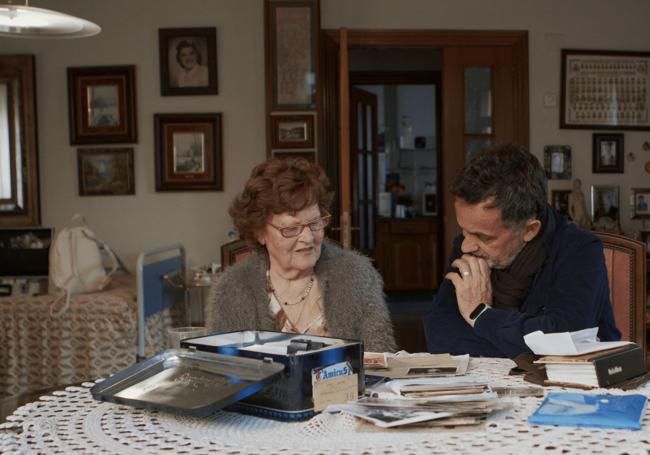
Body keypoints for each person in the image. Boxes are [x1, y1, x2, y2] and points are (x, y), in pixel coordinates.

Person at [423, 143, 619, 358]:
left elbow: (562, 343)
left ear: (529, 230)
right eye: (464, 230)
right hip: (487, 386)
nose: (465, 246)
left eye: (484, 236)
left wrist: (480, 315)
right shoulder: (470, 243)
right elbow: (439, 335)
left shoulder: (580, 251)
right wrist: (524, 341)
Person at [205, 158, 396, 352]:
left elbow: (381, 357)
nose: (307, 238)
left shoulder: (356, 275)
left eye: (315, 223)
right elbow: (221, 370)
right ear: (260, 233)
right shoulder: (232, 288)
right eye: (291, 228)